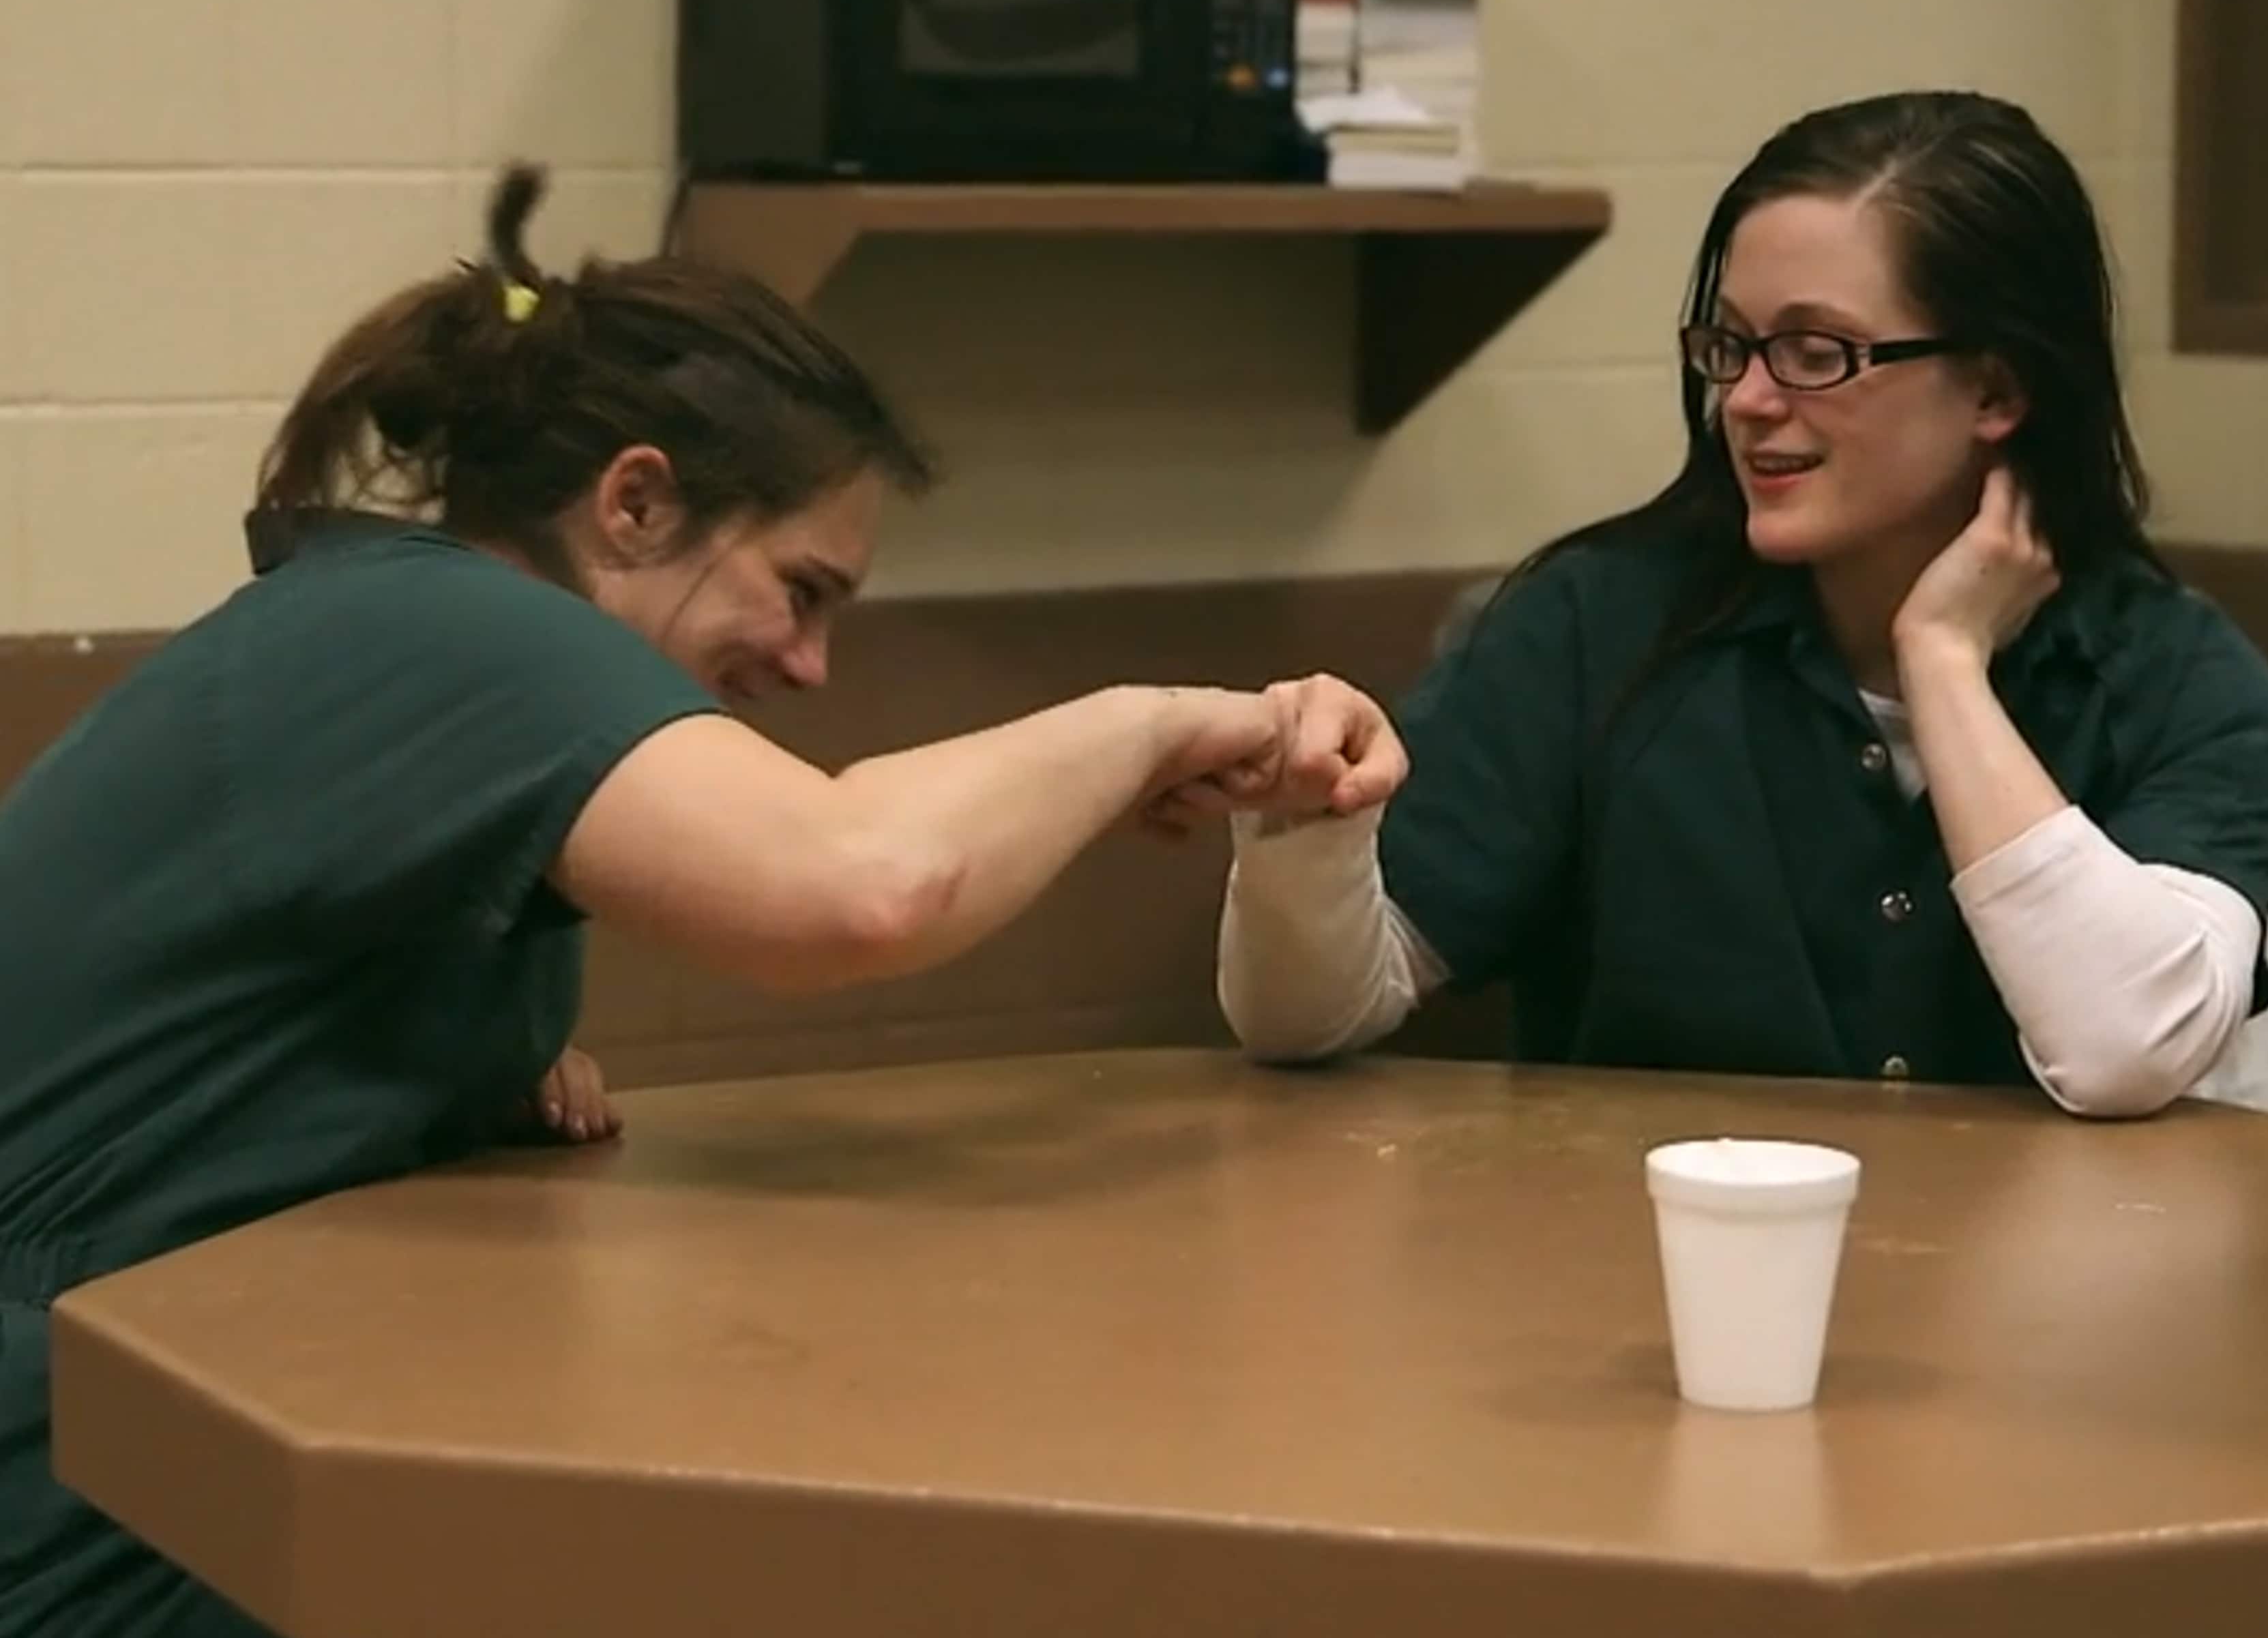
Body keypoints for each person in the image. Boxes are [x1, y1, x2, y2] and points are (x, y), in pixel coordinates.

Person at [0, 166, 1381, 1637]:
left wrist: (474, 1065)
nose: (810, 665)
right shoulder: (443, 629)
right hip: (83, 1490)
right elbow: (860, 888)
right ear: (638, 503)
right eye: (802, 588)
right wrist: (1155, 723)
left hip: (180, 1425)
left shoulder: (405, 637)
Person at [1210, 90, 2268, 1116]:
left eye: (1817, 352)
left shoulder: (2180, 677)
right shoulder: (1597, 623)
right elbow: (1309, 1015)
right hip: (1640, 1241)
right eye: (1731, 345)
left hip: (2031, 1257)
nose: (1747, 398)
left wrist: (1943, 658)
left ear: (1998, 389)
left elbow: (2121, 1051)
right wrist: (1305, 831)